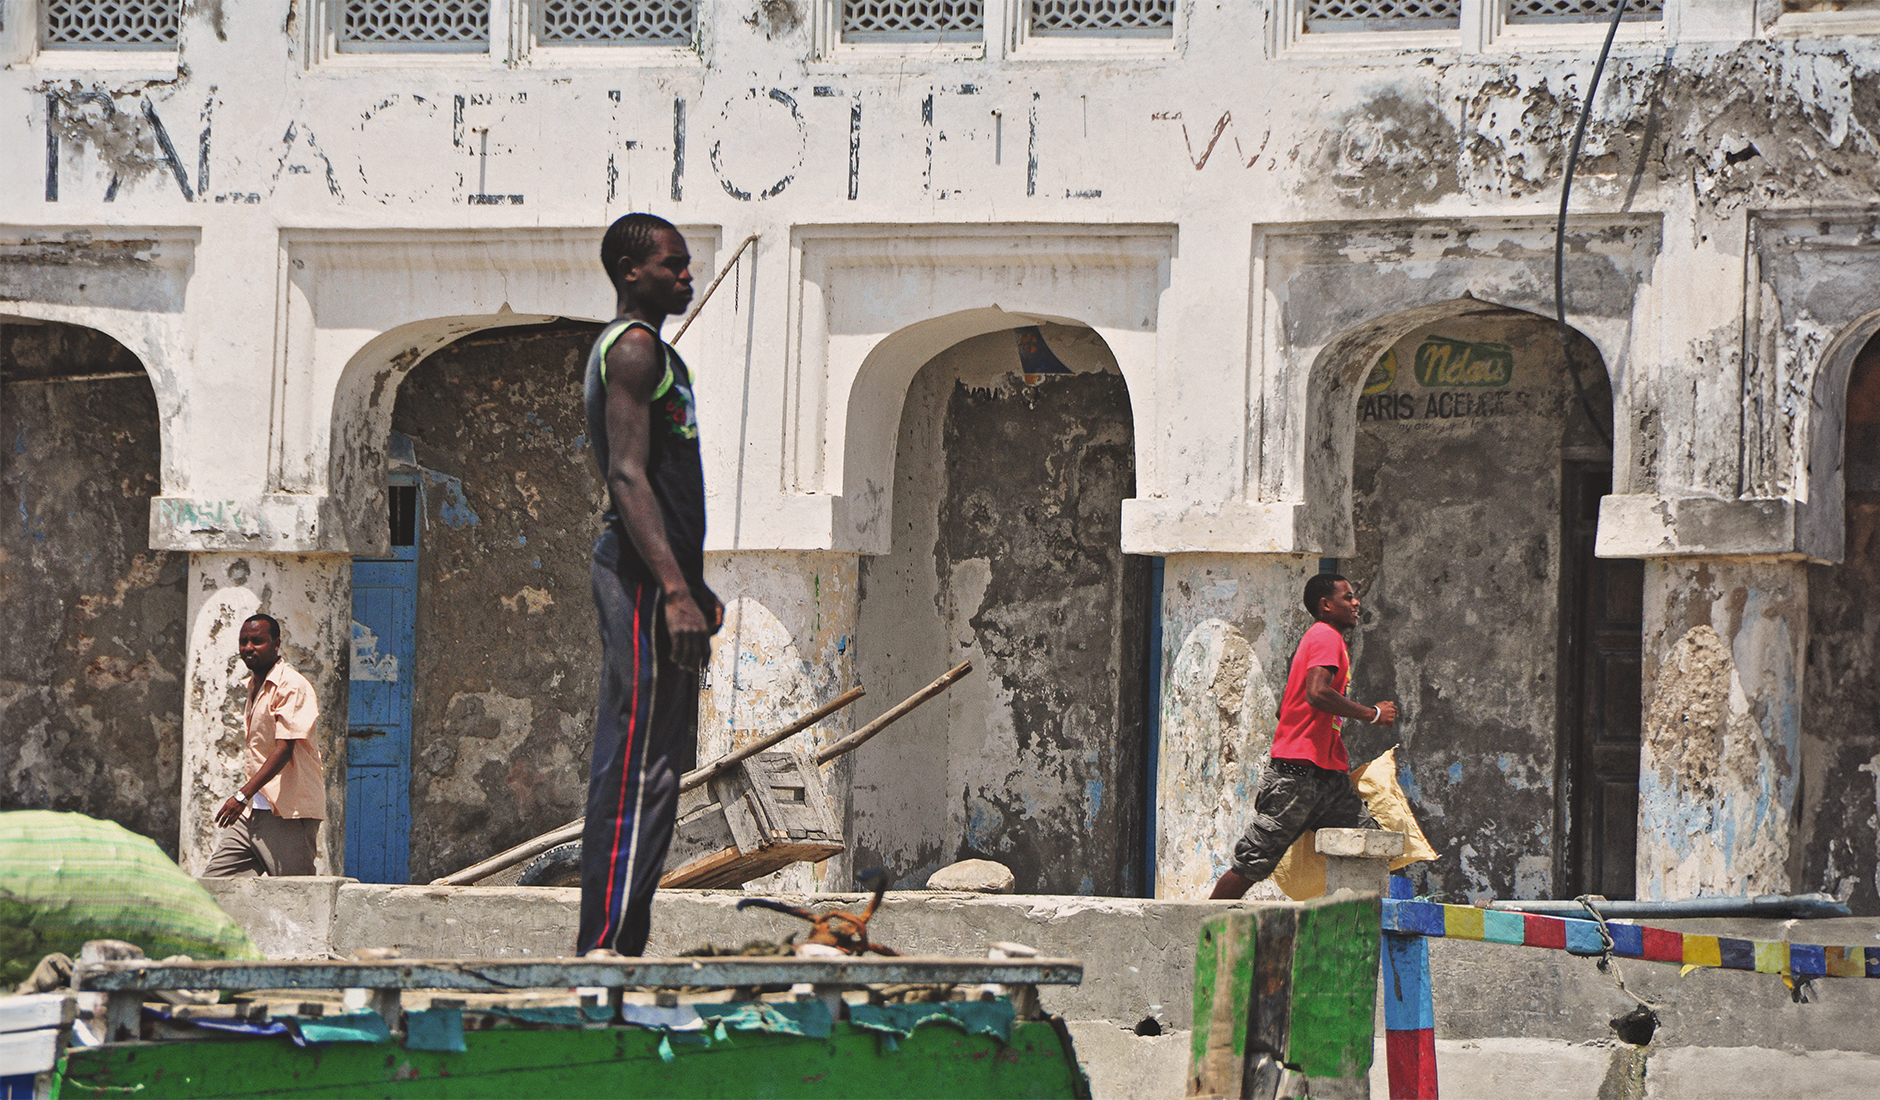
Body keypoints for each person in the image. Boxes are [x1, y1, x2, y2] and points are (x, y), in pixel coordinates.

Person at [577, 212, 722, 957]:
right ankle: (602, 948)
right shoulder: (633, 350)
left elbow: (669, 485)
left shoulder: (657, 355)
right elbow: (627, 475)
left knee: (661, 771)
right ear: (632, 271)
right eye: (674, 265)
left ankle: (623, 945)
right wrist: (671, 588)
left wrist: (694, 583)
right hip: (636, 581)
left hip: (660, 580)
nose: (687, 277)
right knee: (636, 766)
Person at [1210, 573, 1398, 899]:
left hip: (1327, 779)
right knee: (1253, 863)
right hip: (1296, 778)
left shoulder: (1324, 639)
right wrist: (1373, 714)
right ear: (1325, 605)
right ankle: (1202, 934)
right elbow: (1317, 693)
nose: (1356, 603)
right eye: (1347, 598)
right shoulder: (1325, 636)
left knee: (1371, 848)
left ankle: (1360, 934)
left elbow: (1288, 710)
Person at [203, 613, 326, 877]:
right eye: (243, 641)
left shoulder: (291, 686)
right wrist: (248, 799)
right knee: (215, 883)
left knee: (296, 895)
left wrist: (241, 795)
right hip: (253, 813)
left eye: (257, 641)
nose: (248, 648)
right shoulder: (254, 686)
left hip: (287, 812)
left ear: (276, 644)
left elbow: (284, 749)